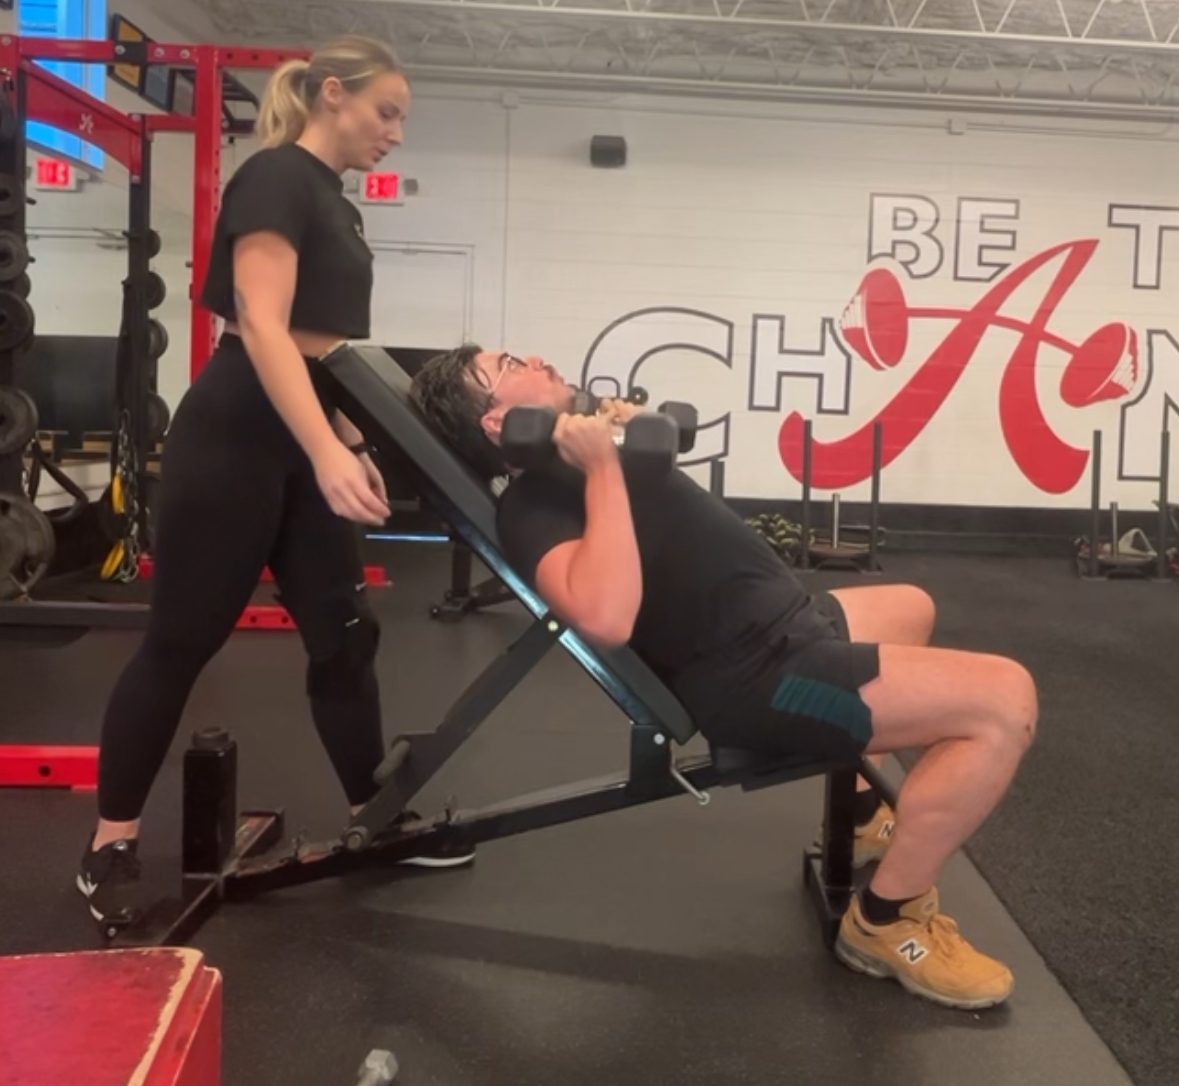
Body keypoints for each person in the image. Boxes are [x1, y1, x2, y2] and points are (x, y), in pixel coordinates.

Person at [409, 346, 1038, 1011]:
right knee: (1002, 703)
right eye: (509, 362)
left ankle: (855, 811)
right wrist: (602, 469)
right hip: (765, 677)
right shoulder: (533, 509)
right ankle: (888, 920)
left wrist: (616, 443)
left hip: (786, 624)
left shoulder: (582, 468)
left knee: (910, 607)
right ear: (498, 420)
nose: (534, 356)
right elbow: (605, 615)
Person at [78, 37, 474, 935]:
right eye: (387, 111)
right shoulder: (277, 178)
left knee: (343, 634)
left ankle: (374, 823)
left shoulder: (334, 203)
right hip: (234, 441)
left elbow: (315, 345)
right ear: (332, 95)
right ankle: (107, 847)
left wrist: (340, 436)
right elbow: (260, 325)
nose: (396, 133)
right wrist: (323, 449)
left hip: (299, 437)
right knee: (180, 644)